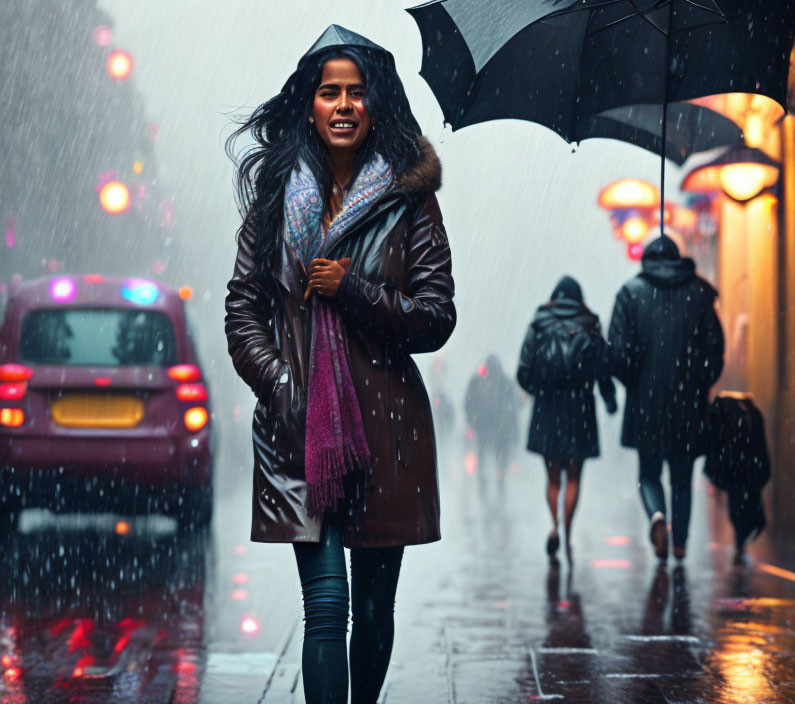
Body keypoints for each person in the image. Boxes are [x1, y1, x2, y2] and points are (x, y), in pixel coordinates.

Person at [224, 25, 455, 704]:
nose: (344, 105)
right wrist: (280, 381)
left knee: (374, 614)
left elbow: (436, 316)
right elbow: (243, 311)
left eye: (357, 93)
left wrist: (351, 289)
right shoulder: (273, 203)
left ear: (376, 107)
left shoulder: (410, 201)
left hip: (388, 434)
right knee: (326, 607)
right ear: (310, 105)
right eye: (331, 93)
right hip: (301, 428)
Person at [608, 237, 723, 562]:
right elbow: (715, 350)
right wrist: (700, 381)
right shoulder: (700, 294)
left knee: (648, 474)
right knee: (682, 477)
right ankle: (681, 542)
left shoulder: (631, 293)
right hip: (689, 402)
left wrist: (634, 382)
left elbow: (617, 352)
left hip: (645, 402)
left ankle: (657, 515)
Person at [517, 277, 616, 566]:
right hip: (580, 408)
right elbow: (603, 368)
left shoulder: (539, 322)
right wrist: (609, 400)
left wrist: (539, 391)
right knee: (574, 475)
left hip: (547, 407)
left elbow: (524, 372)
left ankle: (554, 526)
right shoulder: (591, 323)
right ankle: (568, 532)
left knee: (552, 476)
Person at [463, 354, 520, 490]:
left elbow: (468, 404)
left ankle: (485, 486)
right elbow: (513, 409)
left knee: (484, 461)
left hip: (485, 429)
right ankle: (498, 485)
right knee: (499, 463)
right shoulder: (505, 383)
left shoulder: (478, 382)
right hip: (499, 430)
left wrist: (472, 422)